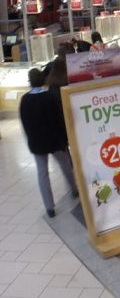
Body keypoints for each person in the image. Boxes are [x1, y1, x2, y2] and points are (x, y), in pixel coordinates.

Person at [20, 69, 77, 217]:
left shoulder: (25, 100)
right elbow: (59, 119)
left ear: (30, 82)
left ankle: (49, 207)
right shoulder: (50, 97)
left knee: (42, 173)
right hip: (55, 140)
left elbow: (25, 123)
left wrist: (30, 139)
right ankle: (74, 188)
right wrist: (65, 138)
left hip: (37, 143)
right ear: (43, 80)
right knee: (66, 165)